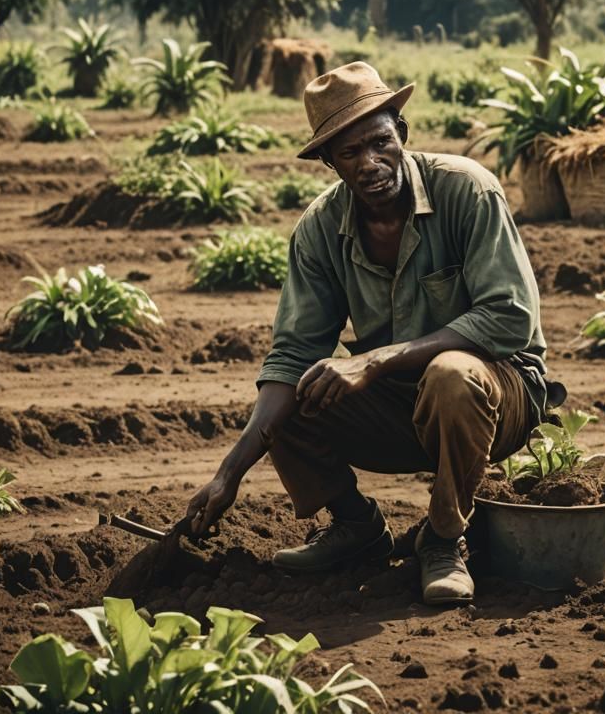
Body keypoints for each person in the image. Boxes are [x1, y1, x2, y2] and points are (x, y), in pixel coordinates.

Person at [185, 62, 557, 604]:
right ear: (329, 162)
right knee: (293, 391)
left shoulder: (467, 191)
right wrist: (228, 475)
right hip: (398, 408)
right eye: (349, 153)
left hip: (498, 394)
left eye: (380, 142)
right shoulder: (319, 230)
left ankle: (445, 541)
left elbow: (509, 317)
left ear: (401, 134)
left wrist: (376, 360)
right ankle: (356, 528)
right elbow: (290, 356)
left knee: (451, 375)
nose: (370, 163)